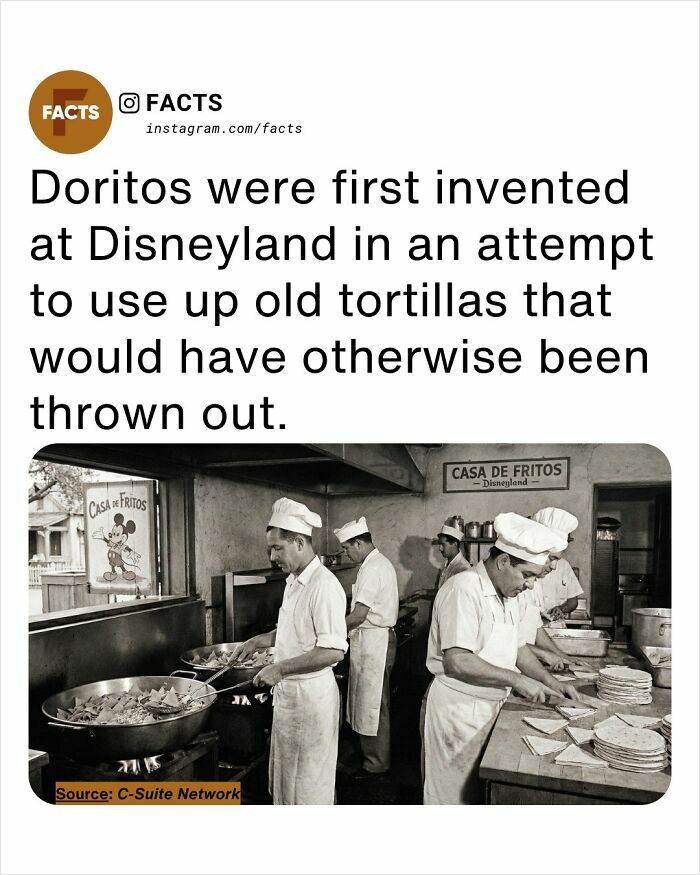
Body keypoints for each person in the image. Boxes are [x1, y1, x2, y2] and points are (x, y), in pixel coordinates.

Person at [422, 512, 582, 805]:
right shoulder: (464, 589)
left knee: (480, 795)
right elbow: (457, 660)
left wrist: (550, 681)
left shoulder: (511, 593)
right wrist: (519, 681)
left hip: (491, 704)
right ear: (504, 561)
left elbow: (518, 647)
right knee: (453, 798)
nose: (531, 585)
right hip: (459, 711)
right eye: (528, 575)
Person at [235, 497, 347, 805]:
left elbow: (333, 651)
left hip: (311, 700)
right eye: (270, 548)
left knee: (309, 786)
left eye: (277, 548)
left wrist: (279, 669)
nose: (272, 556)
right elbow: (294, 632)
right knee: (289, 784)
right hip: (292, 700)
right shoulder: (294, 580)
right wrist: (261, 640)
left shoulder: (323, 586)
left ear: (299, 542)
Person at [335, 516, 399, 778]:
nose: (346, 554)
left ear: (359, 543)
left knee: (373, 704)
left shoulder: (373, 568)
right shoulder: (375, 564)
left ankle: (376, 764)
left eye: (347, 548)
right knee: (368, 702)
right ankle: (369, 757)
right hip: (371, 641)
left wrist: (330, 632)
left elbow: (360, 615)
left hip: (376, 642)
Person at [519, 507, 587, 670]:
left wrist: (564, 657)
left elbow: (535, 629)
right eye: (551, 558)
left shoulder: (532, 582)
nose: (554, 566)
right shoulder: (515, 584)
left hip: (527, 665)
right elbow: (505, 642)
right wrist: (545, 655)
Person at [433, 515, 471, 588]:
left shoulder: (463, 568)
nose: (440, 548)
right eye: (439, 544)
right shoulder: (447, 564)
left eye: (443, 544)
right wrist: (423, 592)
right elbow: (443, 592)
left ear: (454, 544)